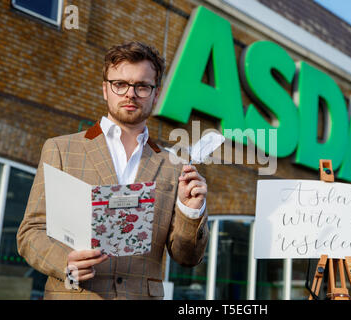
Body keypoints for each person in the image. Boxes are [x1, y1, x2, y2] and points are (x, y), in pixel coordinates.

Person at [17, 41, 209, 300]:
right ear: (105, 89)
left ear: (156, 93)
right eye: (120, 84)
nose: (130, 94)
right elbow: (31, 232)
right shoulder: (60, 149)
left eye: (142, 86)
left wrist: (191, 210)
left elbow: (187, 258)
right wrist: (65, 262)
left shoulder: (173, 166)